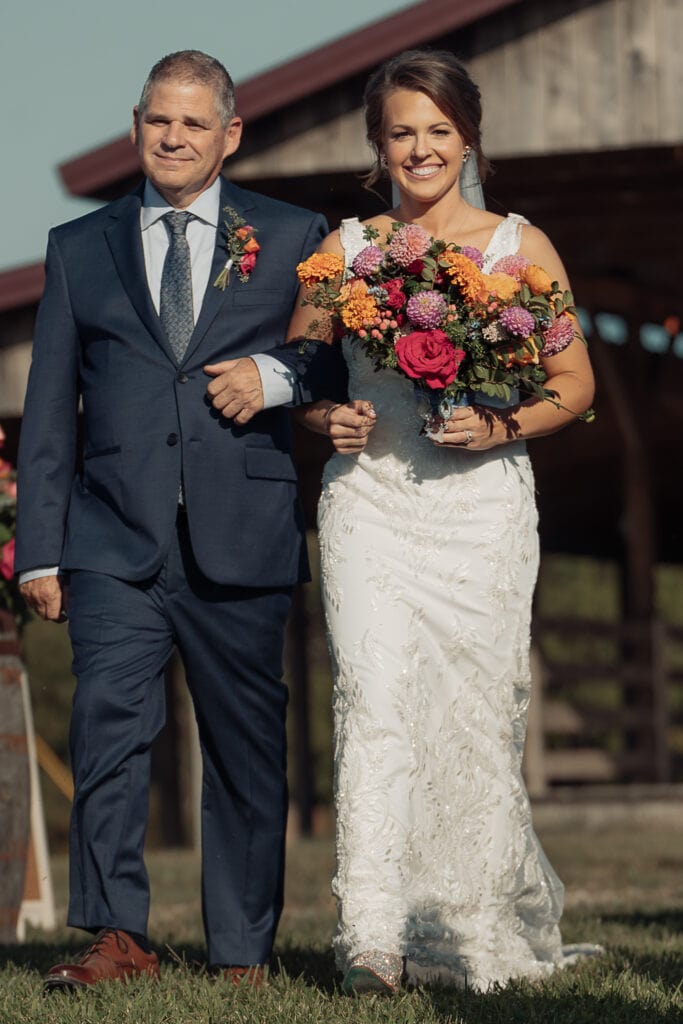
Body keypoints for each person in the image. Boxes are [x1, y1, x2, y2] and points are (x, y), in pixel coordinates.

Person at [15, 49, 338, 991]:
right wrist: (42, 548)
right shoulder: (80, 248)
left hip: (243, 533)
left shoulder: (290, 235)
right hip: (112, 538)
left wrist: (273, 376)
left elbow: (327, 361)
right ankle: (118, 938)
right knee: (107, 729)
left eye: (194, 123)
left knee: (245, 748)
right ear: (136, 126)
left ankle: (241, 951)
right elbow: (46, 412)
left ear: (229, 134)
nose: (174, 137)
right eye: (160, 120)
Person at [287, 49, 596, 994]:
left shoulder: (520, 248)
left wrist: (502, 420)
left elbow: (575, 386)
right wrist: (321, 416)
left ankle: (466, 927)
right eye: (399, 133)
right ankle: (371, 939)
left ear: (467, 138)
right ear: (376, 146)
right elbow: (301, 372)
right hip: (371, 502)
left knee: (469, 717)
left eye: (437, 132)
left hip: (482, 507)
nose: (419, 150)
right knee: (375, 706)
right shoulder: (345, 253)